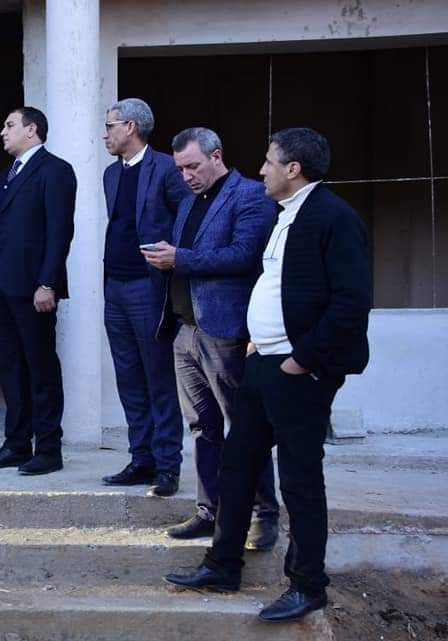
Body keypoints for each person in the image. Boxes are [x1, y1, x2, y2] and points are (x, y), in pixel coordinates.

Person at [165, 128, 371, 623]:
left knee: (300, 479)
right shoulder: (286, 214)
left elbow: (350, 303)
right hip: (263, 362)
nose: (261, 170)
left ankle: (307, 585)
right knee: (237, 464)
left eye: (269, 162)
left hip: (299, 370)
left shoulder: (334, 218)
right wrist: (260, 339)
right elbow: (280, 286)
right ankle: (222, 565)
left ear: (293, 168)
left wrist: (304, 358)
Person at [142, 127, 279, 547]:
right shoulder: (188, 202)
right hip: (185, 329)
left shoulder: (251, 195)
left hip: (226, 330)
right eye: (180, 169)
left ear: (216, 156)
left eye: (193, 166)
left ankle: (263, 515)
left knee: (245, 427)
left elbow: (244, 255)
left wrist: (179, 258)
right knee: (202, 427)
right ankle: (210, 511)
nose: (186, 175)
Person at [0, 107, 76, 476]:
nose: (3, 131)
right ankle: (16, 444)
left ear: (31, 130)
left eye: (10, 125)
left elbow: (60, 232)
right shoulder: (6, 175)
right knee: (11, 369)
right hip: (0, 287)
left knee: (40, 368)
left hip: (33, 289)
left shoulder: (55, 170)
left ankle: (48, 449)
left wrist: (47, 283)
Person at [98, 98, 189, 497]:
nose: (105, 134)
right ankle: (141, 459)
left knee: (158, 378)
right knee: (129, 378)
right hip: (115, 288)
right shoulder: (110, 174)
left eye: (110, 126)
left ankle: (167, 466)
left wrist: (176, 262)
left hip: (149, 288)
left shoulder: (167, 169)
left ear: (131, 127)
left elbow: (186, 222)